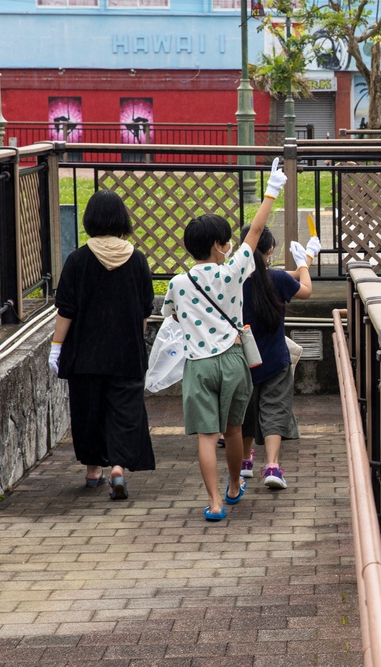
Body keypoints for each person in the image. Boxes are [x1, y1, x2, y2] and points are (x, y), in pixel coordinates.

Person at [161, 158, 287, 522]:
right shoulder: (233, 273)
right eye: (227, 241)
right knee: (234, 429)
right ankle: (234, 485)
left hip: (198, 365)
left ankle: (215, 502)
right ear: (219, 246)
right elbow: (256, 232)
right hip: (233, 360)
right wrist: (271, 190)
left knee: (205, 436)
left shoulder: (178, 283)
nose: (233, 244)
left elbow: (170, 315)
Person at [49, 190, 155, 499]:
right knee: (124, 410)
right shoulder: (137, 259)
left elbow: (66, 310)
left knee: (89, 410)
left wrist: (57, 346)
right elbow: (144, 311)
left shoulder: (78, 259)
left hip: (86, 353)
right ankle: (119, 469)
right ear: (122, 219)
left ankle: (94, 470)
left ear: (90, 220)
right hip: (126, 351)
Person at [237, 226, 317, 490]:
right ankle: (272, 465)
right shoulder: (277, 280)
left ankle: (245, 462)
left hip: (243, 360)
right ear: (271, 250)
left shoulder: (233, 281)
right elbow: (305, 289)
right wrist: (305, 263)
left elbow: (283, 278)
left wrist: (304, 265)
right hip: (275, 360)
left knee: (245, 411)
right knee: (274, 409)